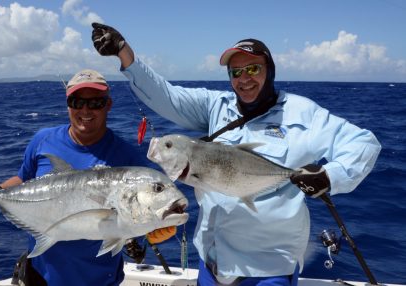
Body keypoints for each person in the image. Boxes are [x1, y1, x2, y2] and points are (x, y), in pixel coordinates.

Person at [91, 23, 382, 286]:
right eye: (236, 72)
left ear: (270, 71)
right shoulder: (217, 106)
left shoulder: (302, 113)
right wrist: (124, 53)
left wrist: (330, 176)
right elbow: (167, 96)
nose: (244, 79)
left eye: (253, 69)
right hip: (212, 261)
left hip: (269, 267)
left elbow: (363, 143)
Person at [0, 69, 175, 286]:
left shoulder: (128, 158)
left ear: (108, 105)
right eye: (77, 102)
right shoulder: (43, 140)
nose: (85, 110)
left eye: (95, 102)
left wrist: (156, 230)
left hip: (99, 279)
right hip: (40, 275)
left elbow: (140, 213)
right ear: (68, 105)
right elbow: (23, 179)